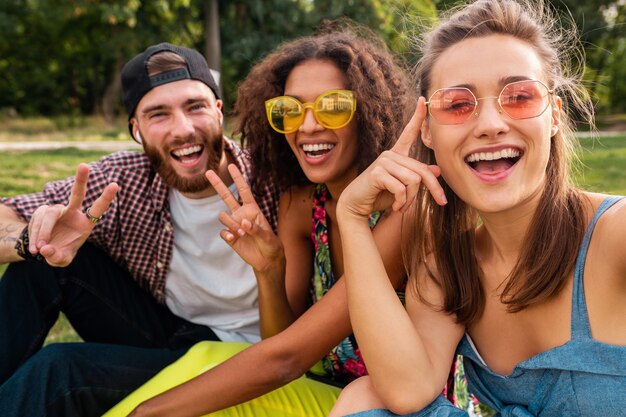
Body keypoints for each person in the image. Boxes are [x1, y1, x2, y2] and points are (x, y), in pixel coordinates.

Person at [113, 25, 475, 417]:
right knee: (205, 354)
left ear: (367, 111)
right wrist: (270, 270)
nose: (307, 126)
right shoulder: (304, 205)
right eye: (289, 110)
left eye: (333, 106)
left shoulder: (407, 207)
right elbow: (280, 340)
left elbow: (287, 359)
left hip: (396, 406)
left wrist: (148, 413)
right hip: (326, 393)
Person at [327, 0, 626, 416]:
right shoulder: (446, 268)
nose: (489, 124)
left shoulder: (616, 234)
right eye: (458, 105)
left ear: (554, 116)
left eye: (519, 97)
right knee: (364, 399)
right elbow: (406, 390)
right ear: (427, 131)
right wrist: (353, 220)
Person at [0, 42, 278, 416]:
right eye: (158, 115)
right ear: (137, 130)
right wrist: (28, 239)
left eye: (195, 107)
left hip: (252, 353)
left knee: (60, 369)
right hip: (171, 335)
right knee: (36, 256)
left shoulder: (274, 178)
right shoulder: (122, 180)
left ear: (218, 111)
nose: (183, 129)